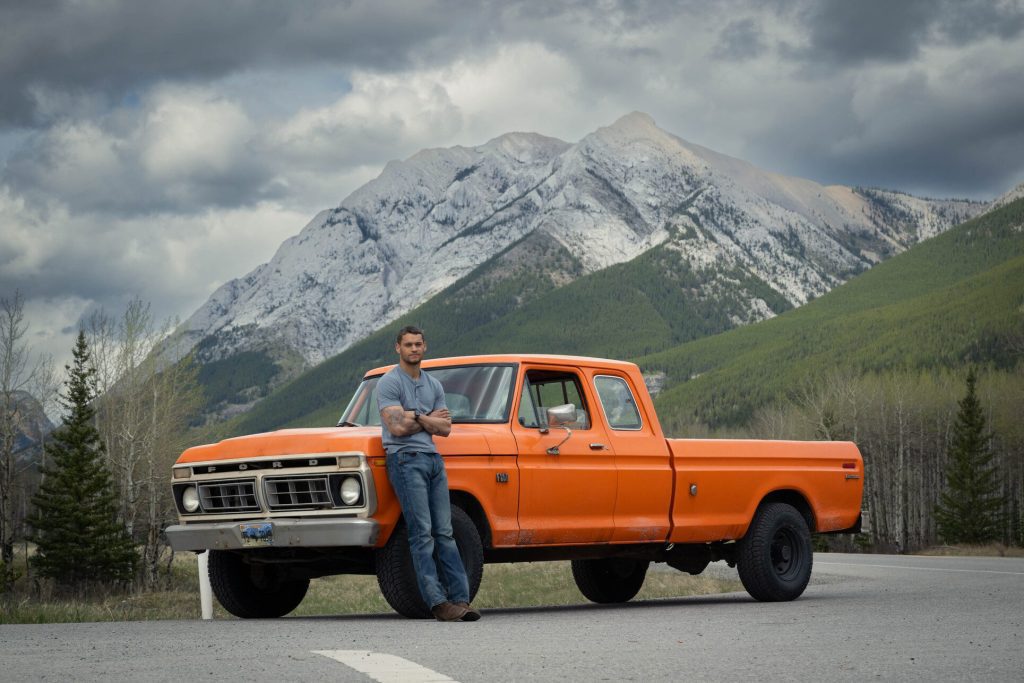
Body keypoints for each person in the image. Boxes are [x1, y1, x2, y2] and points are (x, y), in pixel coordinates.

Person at [378, 325, 481, 622]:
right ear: (398, 348)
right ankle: (438, 603)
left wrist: (415, 415)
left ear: (425, 347)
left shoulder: (433, 384)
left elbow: (446, 428)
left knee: (445, 532)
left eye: (418, 344)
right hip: (405, 460)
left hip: (434, 460)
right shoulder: (388, 383)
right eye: (408, 344)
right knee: (421, 533)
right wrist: (427, 418)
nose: (413, 349)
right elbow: (397, 427)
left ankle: (460, 599)